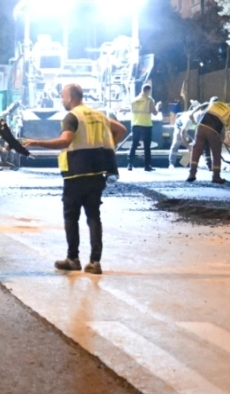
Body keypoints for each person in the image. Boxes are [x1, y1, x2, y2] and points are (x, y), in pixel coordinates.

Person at [22, 83, 128, 275]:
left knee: (71, 217)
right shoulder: (99, 115)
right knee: (93, 216)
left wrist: (36, 142)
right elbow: (121, 129)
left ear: (70, 98)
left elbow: (65, 141)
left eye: (63, 96)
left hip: (76, 173)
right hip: (97, 173)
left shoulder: (72, 117)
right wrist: (107, 147)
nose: (62, 100)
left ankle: (73, 258)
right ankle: (95, 262)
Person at [188, 96, 230, 184]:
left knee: (196, 150)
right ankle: (216, 176)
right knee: (216, 153)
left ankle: (192, 174)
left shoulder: (216, 103)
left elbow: (204, 112)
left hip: (200, 127)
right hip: (213, 130)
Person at [128, 84, 158, 171]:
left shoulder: (134, 100)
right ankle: (147, 166)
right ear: (148, 91)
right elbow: (155, 113)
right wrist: (158, 107)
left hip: (135, 125)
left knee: (134, 144)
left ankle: (130, 164)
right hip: (146, 125)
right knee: (147, 147)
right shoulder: (150, 100)